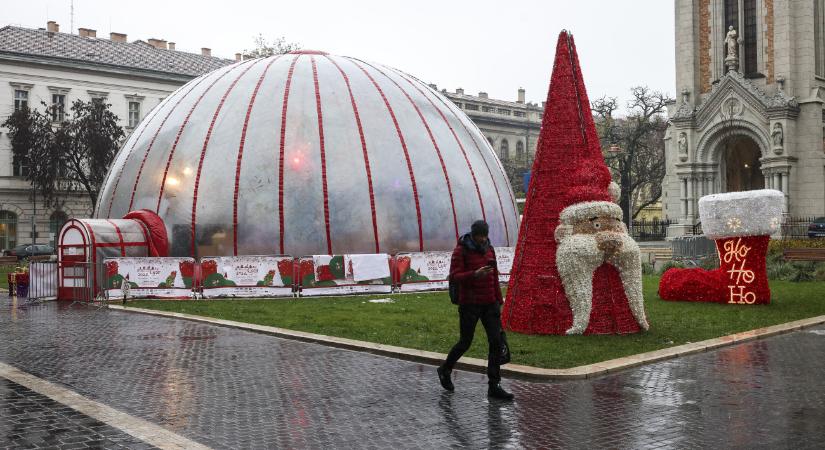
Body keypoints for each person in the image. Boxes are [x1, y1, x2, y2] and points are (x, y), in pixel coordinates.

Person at [437, 220, 513, 400]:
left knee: (496, 343)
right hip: (469, 304)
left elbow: (494, 275)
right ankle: (445, 369)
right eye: (480, 236)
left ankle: (494, 385)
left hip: (489, 304)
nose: (483, 239)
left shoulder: (489, 248)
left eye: (485, 236)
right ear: (473, 234)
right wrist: (474, 274)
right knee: (465, 341)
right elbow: (454, 276)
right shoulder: (461, 250)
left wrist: (498, 299)